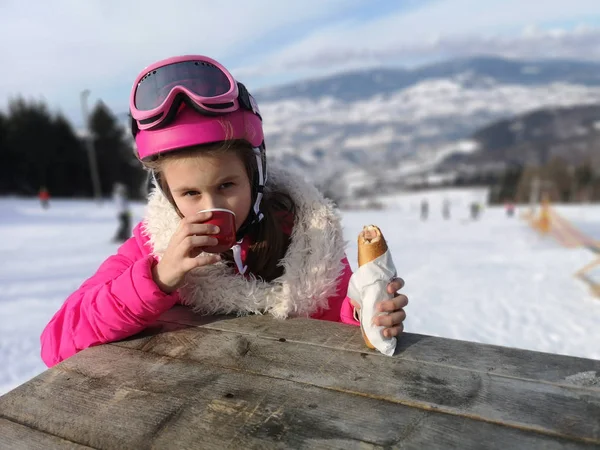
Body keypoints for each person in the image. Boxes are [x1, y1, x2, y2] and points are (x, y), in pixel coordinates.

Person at [40, 55, 408, 367]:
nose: (211, 207)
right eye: (189, 193)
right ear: (168, 195)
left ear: (256, 177)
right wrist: (157, 278)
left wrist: (365, 315)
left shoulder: (308, 241)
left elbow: (339, 339)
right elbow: (57, 342)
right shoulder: (153, 245)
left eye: (226, 186)